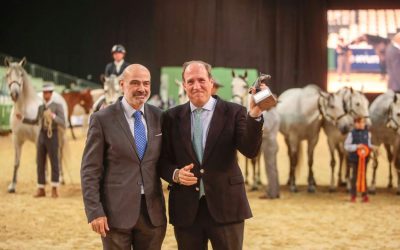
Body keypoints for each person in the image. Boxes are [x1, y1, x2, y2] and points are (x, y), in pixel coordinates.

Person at [159, 60, 271, 250]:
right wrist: (175, 174)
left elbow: (250, 151)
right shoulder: (170, 117)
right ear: (184, 85)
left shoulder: (235, 112)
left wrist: (254, 115)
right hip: (186, 211)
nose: (196, 86)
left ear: (211, 82)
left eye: (201, 80)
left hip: (227, 208)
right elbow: (162, 160)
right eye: (191, 81)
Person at [81, 64, 166, 249]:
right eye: (135, 83)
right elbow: (90, 169)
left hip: (152, 214)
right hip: (114, 214)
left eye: (146, 83)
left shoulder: (160, 117)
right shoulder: (101, 119)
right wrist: (94, 211)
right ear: (122, 84)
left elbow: (165, 161)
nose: (142, 89)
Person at [17, 83, 65, 198]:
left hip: (52, 134)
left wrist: (53, 116)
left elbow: (63, 122)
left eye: (47, 92)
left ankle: (54, 187)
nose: (45, 94)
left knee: (54, 161)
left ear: (51, 93)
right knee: (40, 162)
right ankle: (41, 187)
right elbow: (35, 121)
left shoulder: (57, 106)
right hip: (42, 135)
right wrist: (23, 119)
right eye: (44, 92)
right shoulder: (41, 107)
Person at [258, 79, 280, 200]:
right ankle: (275, 191)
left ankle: (271, 192)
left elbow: (265, 130)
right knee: (273, 168)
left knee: (270, 168)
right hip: (272, 142)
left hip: (268, 143)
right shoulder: (274, 113)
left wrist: (257, 131)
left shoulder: (271, 114)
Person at [344, 117, 374, 203]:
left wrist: (372, 148)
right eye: (358, 123)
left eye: (362, 123)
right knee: (354, 176)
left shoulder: (367, 133)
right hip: (354, 158)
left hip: (365, 158)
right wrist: (356, 147)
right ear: (355, 124)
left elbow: (368, 144)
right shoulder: (351, 134)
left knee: (363, 176)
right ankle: (353, 195)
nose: (360, 125)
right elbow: (346, 146)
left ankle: (365, 194)